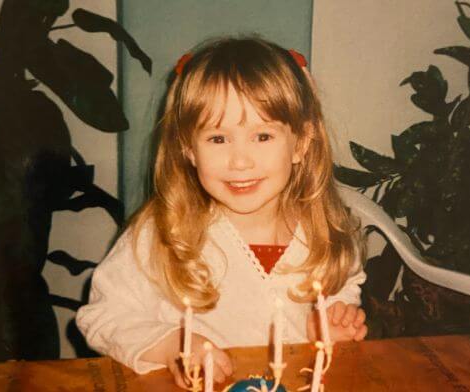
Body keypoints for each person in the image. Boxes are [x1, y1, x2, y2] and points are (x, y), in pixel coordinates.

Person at [76, 36, 367, 388]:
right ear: (188, 149)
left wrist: (332, 319)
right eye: (218, 139)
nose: (240, 161)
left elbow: (341, 286)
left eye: (262, 137)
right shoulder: (162, 233)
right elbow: (104, 316)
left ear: (301, 143)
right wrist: (173, 345)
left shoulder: (325, 228)